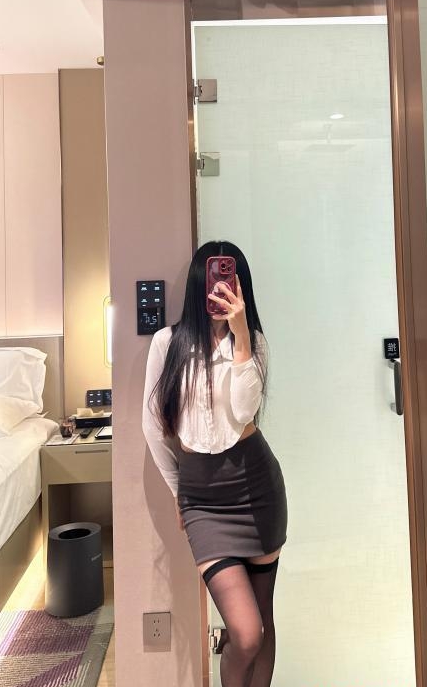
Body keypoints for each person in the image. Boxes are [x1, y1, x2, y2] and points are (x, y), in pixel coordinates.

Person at [142, 240, 288, 687]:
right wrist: (178, 492)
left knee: (262, 620)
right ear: (197, 283)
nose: (220, 287)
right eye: (213, 277)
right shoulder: (167, 343)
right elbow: (153, 428)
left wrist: (240, 335)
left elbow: (244, 412)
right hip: (203, 501)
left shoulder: (254, 343)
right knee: (245, 632)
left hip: (257, 488)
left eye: (230, 278)